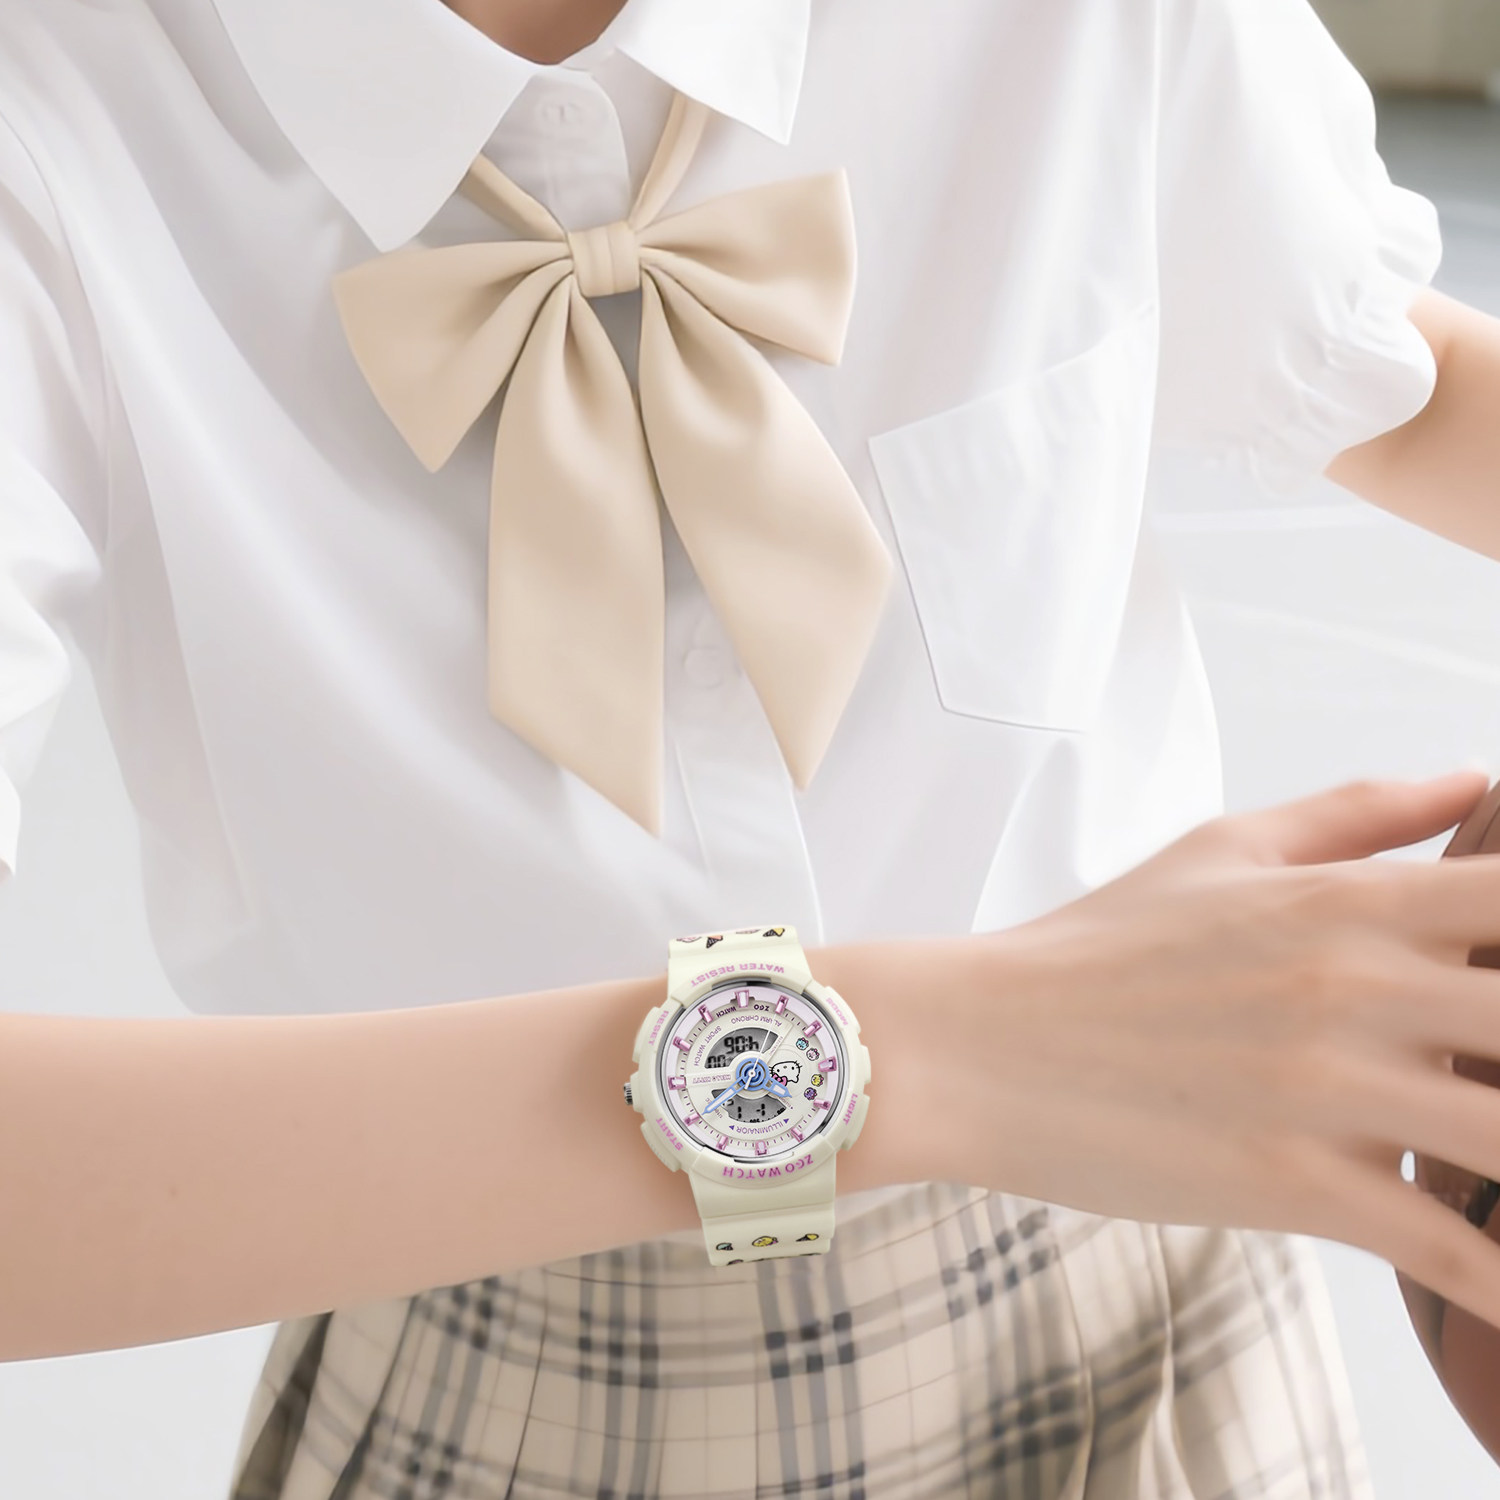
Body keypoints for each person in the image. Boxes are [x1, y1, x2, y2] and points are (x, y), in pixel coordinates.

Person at [4, 0, 1500, 1495]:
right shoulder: (51, 99)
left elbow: (1382, 374)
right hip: (502, 1324)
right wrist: (937, 1054)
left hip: (1140, 1289)